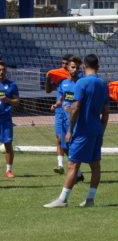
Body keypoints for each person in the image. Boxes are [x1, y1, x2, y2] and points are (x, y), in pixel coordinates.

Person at [44, 54, 110, 208]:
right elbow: (106, 113)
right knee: (95, 165)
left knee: (73, 165)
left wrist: (69, 130)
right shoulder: (103, 84)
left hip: (82, 130)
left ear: (84, 67)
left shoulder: (82, 83)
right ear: (98, 67)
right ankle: (90, 199)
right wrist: (102, 130)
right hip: (97, 130)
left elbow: (77, 108)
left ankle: (62, 200)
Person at [51, 56, 84, 182]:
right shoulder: (63, 83)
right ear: (68, 68)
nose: (75, 69)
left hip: (76, 120)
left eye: (77, 67)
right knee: (64, 146)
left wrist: (75, 107)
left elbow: (84, 102)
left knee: (74, 147)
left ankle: (76, 173)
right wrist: (56, 105)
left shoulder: (82, 83)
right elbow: (61, 100)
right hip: (65, 120)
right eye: (72, 67)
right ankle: (79, 174)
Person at [45, 54, 73, 174]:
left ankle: (74, 164)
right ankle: (60, 165)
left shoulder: (78, 77)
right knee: (59, 138)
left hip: (71, 112)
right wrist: (47, 78)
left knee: (68, 139)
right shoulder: (60, 76)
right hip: (59, 111)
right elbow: (48, 90)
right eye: (62, 63)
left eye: (66, 64)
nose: (63, 66)